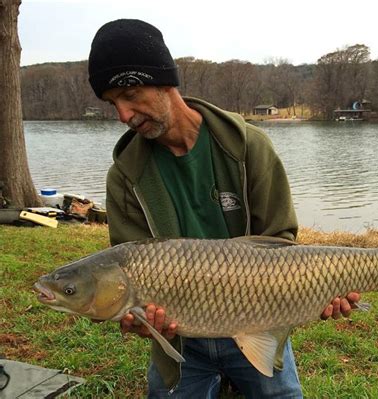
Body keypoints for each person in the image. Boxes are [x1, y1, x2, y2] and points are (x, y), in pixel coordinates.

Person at [88, 19, 360, 399]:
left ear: (166, 80)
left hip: (260, 319)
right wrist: (138, 320)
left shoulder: (250, 147)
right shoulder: (125, 177)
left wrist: (319, 287)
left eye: (130, 94)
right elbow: (127, 265)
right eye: (112, 102)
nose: (123, 114)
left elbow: (280, 243)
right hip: (181, 342)